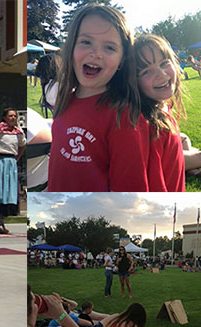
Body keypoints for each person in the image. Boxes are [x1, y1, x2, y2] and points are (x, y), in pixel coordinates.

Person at [47, 4, 149, 192]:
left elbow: (129, 193)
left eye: (109, 47)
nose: (96, 54)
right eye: (86, 42)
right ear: (71, 48)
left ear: (121, 61)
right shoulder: (64, 100)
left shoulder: (124, 117)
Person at [135, 35, 186, 192]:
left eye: (164, 63)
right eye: (146, 71)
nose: (161, 74)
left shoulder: (164, 108)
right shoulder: (149, 128)